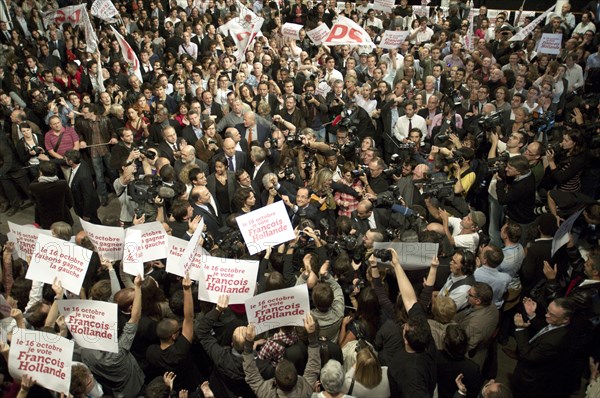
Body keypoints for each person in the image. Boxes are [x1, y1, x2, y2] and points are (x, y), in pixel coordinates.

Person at [243, 314, 320, 397]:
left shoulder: (266, 393)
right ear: (298, 378)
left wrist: (248, 342)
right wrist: (312, 334)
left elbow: (251, 376)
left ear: (275, 381)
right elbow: (314, 365)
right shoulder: (306, 389)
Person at [29, 161, 73, 228]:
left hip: (46, 218)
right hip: (62, 215)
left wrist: (39, 175)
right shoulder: (63, 183)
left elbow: (33, 200)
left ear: (41, 172)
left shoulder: (34, 187)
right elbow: (70, 201)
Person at [64, 149, 101, 224]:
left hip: (86, 208)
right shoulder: (80, 163)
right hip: (80, 204)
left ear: (71, 162)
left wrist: (86, 214)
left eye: (65, 159)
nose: (64, 161)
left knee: (93, 223)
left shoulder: (83, 177)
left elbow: (88, 196)